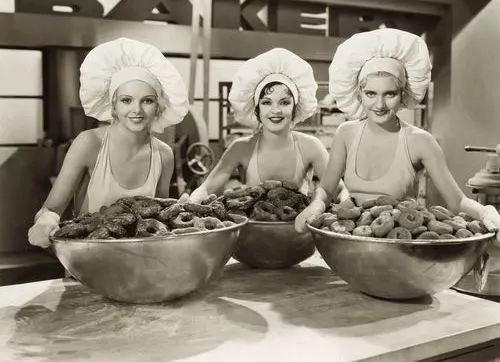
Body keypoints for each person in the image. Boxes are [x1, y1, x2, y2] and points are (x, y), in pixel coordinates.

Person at [295, 28, 500, 236]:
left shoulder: (421, 142)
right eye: (371, 93)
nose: (380, 104)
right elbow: (328, 190)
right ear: (359, 94)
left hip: (399, 243)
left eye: (390, 94)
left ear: (403, 94)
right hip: (351, 239)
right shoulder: (346, 133)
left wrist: (486, 213)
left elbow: (457, 201)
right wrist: (317, 205)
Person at [28, 37, 190, 248]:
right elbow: (51, 208)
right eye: (126, 100)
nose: (137, 110)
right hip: (88, 264)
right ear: (112, 105)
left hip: (143, 264)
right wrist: (45, 222)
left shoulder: (163, 155)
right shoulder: (89, 144)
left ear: (158, 107)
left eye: (147, 101)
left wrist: (181, 210)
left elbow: (156, 219)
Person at [189, 48, 348, 203]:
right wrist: (191, 202)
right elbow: (206, 189)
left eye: (285, 102)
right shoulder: (241, 148)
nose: (276, 111)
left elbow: (339, 190)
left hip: (298, 228)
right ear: (256, 109)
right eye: (266, 102)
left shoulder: (310, 146)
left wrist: (346, 202)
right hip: (252, 228)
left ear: (296, 107)